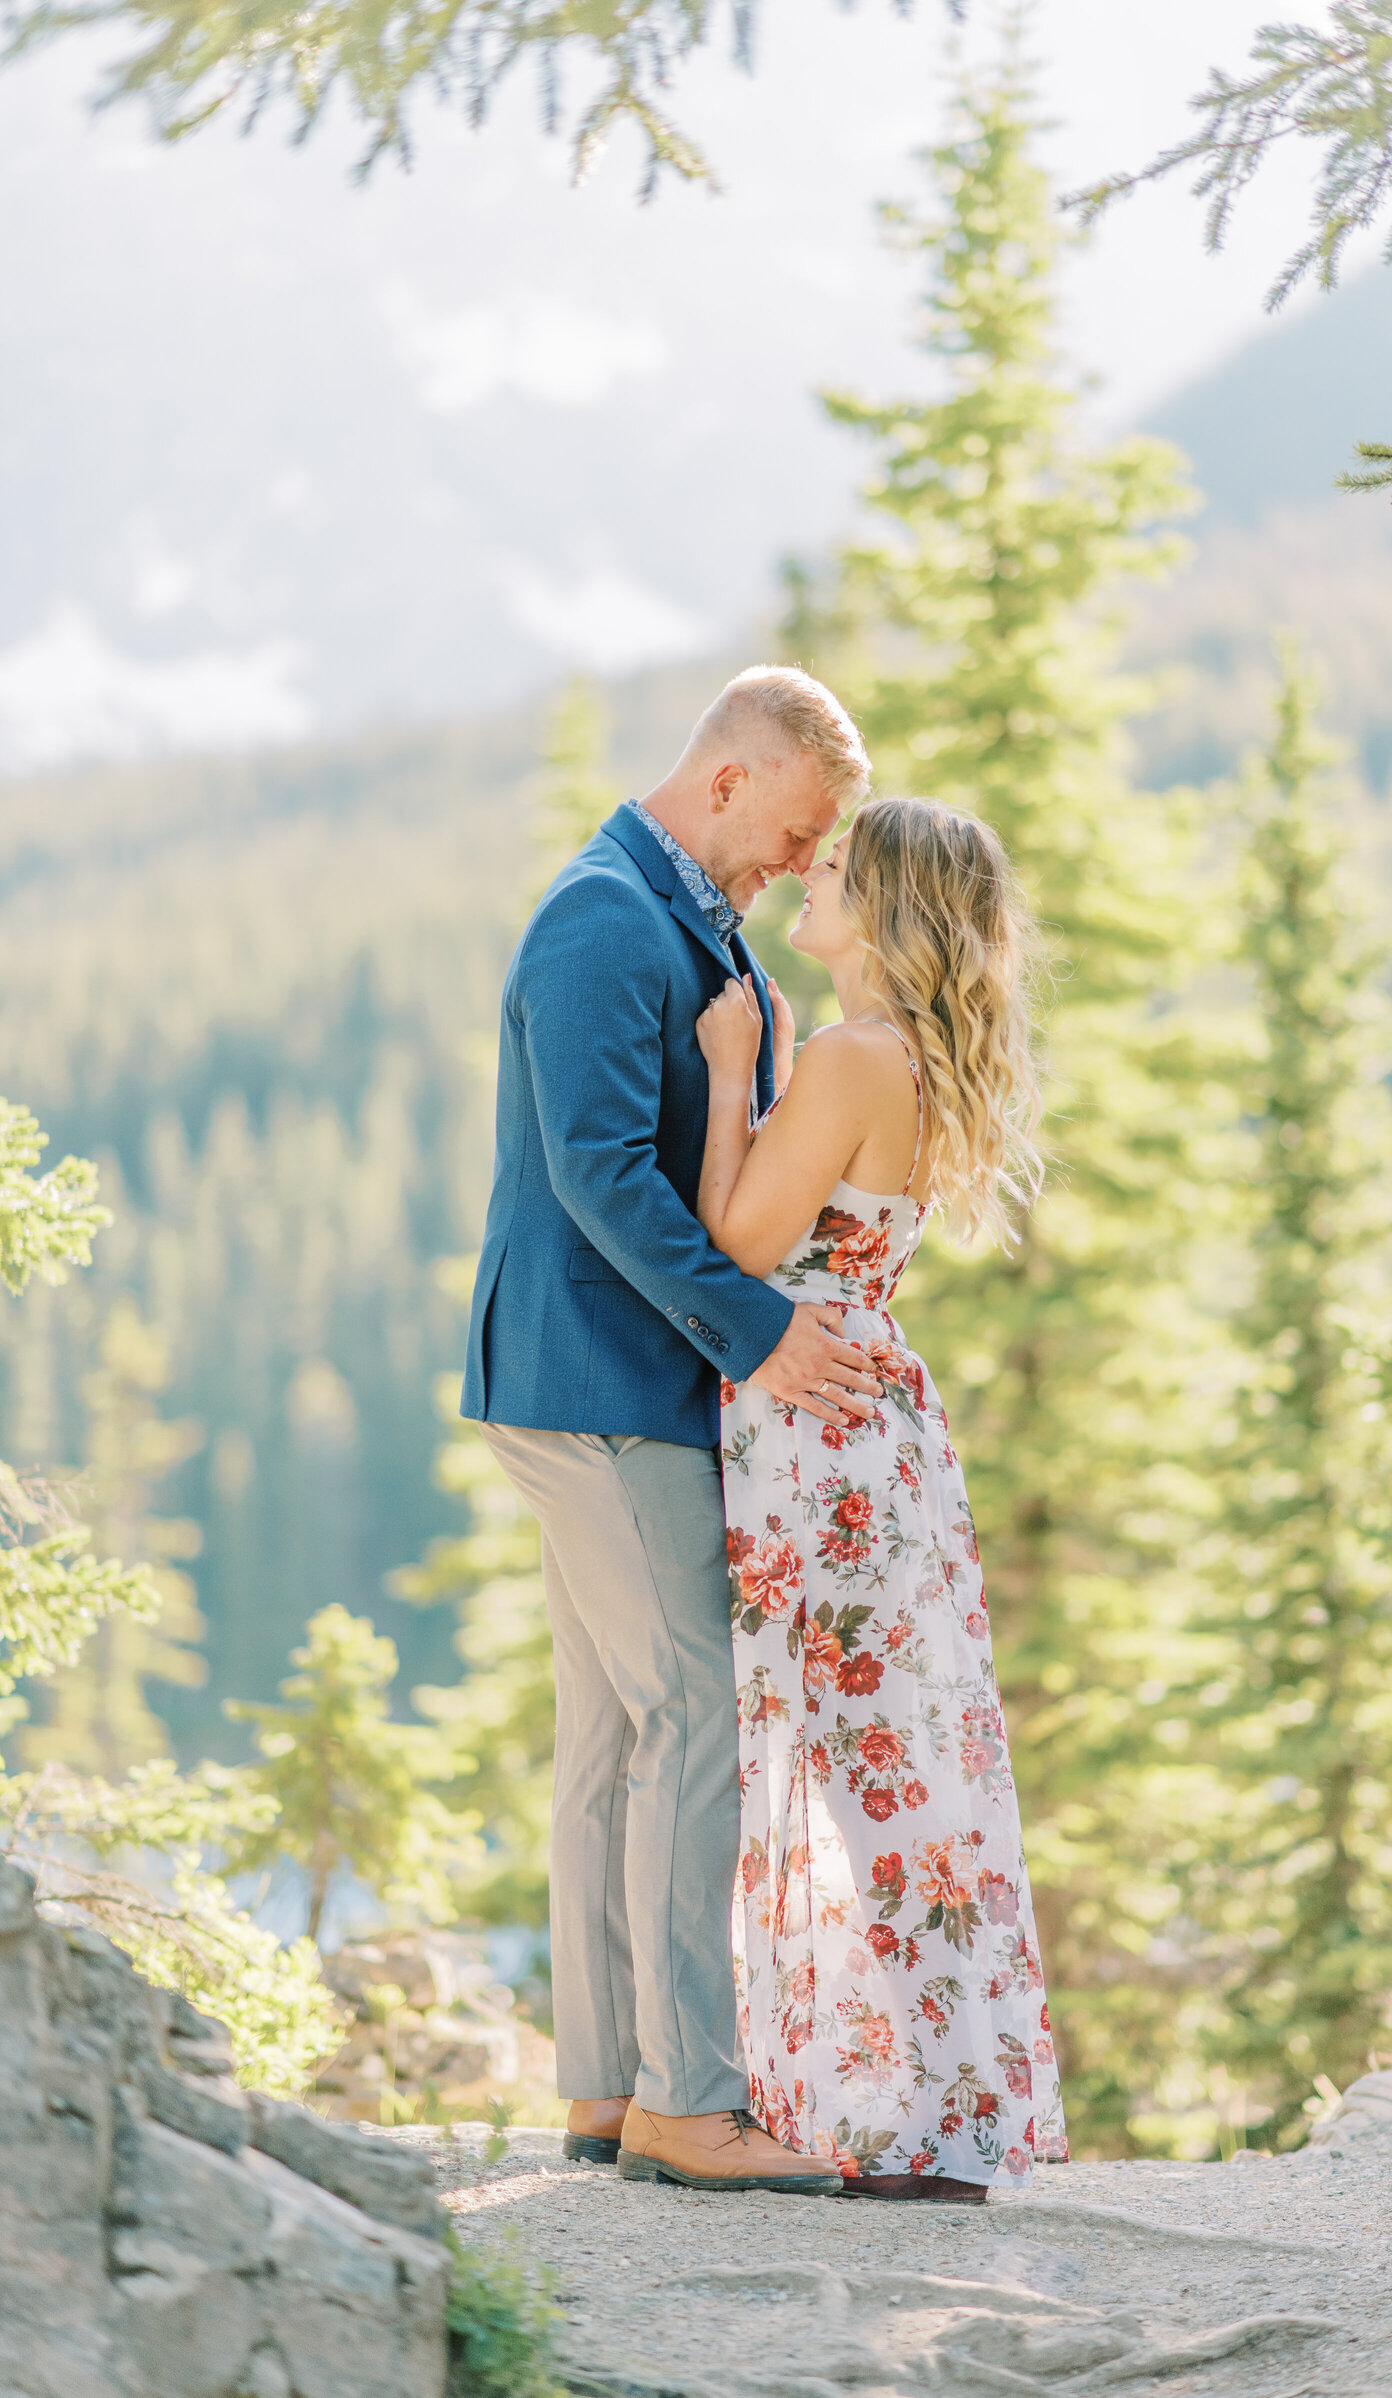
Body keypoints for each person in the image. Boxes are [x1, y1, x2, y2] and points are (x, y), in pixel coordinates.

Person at [461, 666, 883, 2194]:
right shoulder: (597, 920)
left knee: (609, 1741)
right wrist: (763, 1333)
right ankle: (691, 2102)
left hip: (606, 1381)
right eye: (790, 829)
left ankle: (607, 2088)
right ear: (726, 783)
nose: (793, 862)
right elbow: (596, 1180)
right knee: (693, 1716)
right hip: (601, 1387)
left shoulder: (683, 917)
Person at [696, 795, 1070, 2200]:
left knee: (869, 1772)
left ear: (889, 908)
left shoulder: (853, 1056)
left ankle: (928, 2116)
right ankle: (941, 2097)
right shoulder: (897, 1057)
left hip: (821, 1440)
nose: (812, 877)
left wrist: (737, 1070)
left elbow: (735, 1241)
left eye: (838, 871)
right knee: (907, 1767)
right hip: (875, 1425)